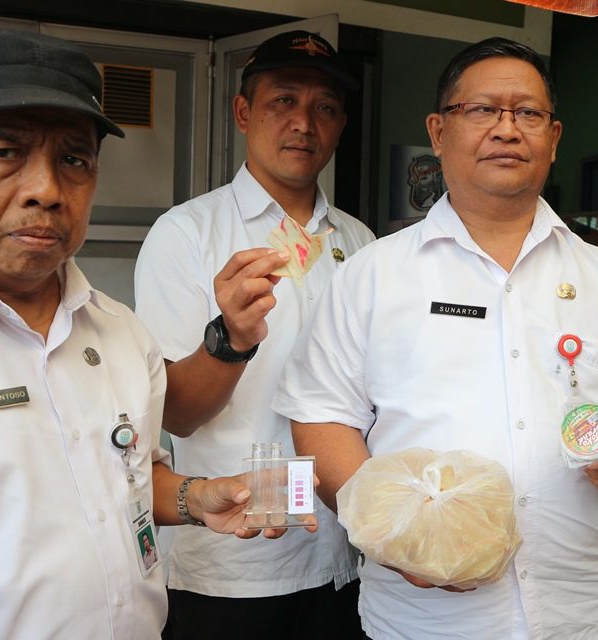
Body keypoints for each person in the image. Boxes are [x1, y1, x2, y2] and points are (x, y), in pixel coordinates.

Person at [0, 30, 297, 640]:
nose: (46, 190)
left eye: (73, 161)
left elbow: (128, 476)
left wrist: (196, 498)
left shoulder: (119, 332)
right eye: (6, 152)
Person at [273, 37, 598, 640]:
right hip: (422, 622)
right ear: (438, 133)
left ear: (554, 138)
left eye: (528, 113)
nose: (507, 129)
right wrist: (394, 533)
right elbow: (321, 419)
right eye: (483, 110)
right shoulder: (373, 276)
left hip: (578, 615)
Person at [133, 30, 374, 639]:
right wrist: (232, 338)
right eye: (283, 101)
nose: (304, 123)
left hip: (343, 553)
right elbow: (177, 414)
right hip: (232, 562)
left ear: (341, 127)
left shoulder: (361, 243)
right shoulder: (186, 234)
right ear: (243, 112)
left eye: (324, 108)